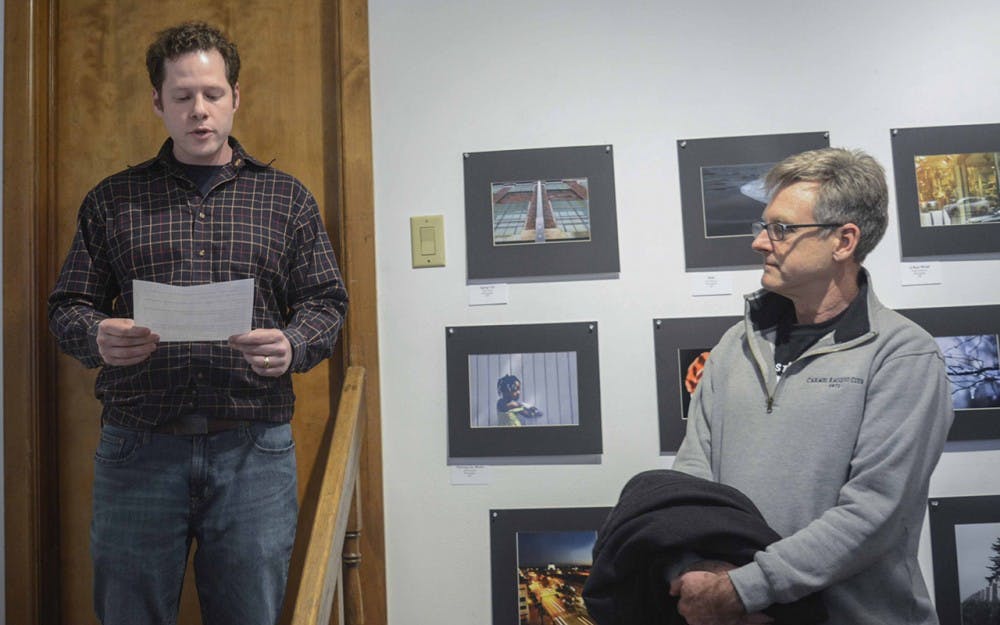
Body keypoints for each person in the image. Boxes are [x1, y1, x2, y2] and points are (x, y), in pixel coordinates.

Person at [47, 21, 348, 625]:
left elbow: (327, 302)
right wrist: (96, 337)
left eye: (213, 94)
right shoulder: (112, 200)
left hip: (253, 453)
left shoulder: (287, 199)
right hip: (138, 448)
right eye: (182, 97)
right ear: (157, 102)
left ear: (237, 96)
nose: (200, 111)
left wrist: (292, 344)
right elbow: (67, 307)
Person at [670, 147, 953, 625]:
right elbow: (691, 479)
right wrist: (695, 571)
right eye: (763, 226)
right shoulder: (734, 345)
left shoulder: (903, 354)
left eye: (780, 229)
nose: (761, 242)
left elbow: (874, 515)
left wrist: (744, 590)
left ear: (844, 241)